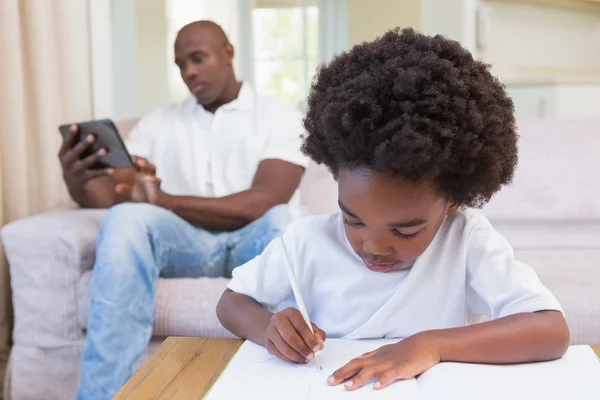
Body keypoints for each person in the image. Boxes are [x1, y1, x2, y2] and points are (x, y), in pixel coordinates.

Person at [216, 28, 570, 392]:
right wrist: (267, 327)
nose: (374, 247)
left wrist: (429, 344)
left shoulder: (465, 241)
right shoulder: (307, 240)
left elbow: (550, 330)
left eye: (405, 230)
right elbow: (231, 303)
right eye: (353, 220)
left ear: (452, 202)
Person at [58, 20, 310, 399]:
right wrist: (77, 178)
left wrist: (167, 202)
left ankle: (294, 382)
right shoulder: (159, 123)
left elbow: (265, 200)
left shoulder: (277, 115)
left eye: (198, 58)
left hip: (255, 240)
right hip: (188, 244)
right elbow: (112, 195)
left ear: (228, 53)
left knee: (280, 219)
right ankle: (103, 395)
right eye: (180, 64)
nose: (189, 71)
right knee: (126, 217)